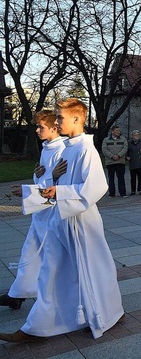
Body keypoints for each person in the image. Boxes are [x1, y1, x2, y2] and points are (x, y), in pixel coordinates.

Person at [0, 98, 124, 343]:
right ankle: (37, 328)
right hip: (61, 220)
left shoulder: (86, 149)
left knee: (94, 271)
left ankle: (108, 314)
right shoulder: (68, 148)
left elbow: (97, 187)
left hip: (82, 222)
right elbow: (59, 185)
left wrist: (60, 192)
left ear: (77, 119)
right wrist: (40, 188)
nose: (57, 122)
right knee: (51, 272)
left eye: (60, 118)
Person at [0, 111, 66, 311]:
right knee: (29, 252)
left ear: (54, 127)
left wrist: (32, 187)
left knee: (47, 255)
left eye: (41, 127)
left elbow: (61, 185)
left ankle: (48, 296)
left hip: (52, 213)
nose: (37, 130)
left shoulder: (62, 149)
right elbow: (45, 179)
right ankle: (19, 293)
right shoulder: (47, 147)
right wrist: (37, 176)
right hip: (41, 212)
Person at [102, 125, 128, 197]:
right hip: (110, 162)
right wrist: (112, 156)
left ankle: (123, 193)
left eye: (119, 131)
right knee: (111, 179)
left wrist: (118, 155)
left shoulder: (123, 139)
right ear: (112, 131)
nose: (118, 132)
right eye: (116, 131)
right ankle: (112, 193)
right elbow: (104, 149)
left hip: (120, 162)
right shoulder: (106, 140)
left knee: (121, 178)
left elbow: (125, 148)